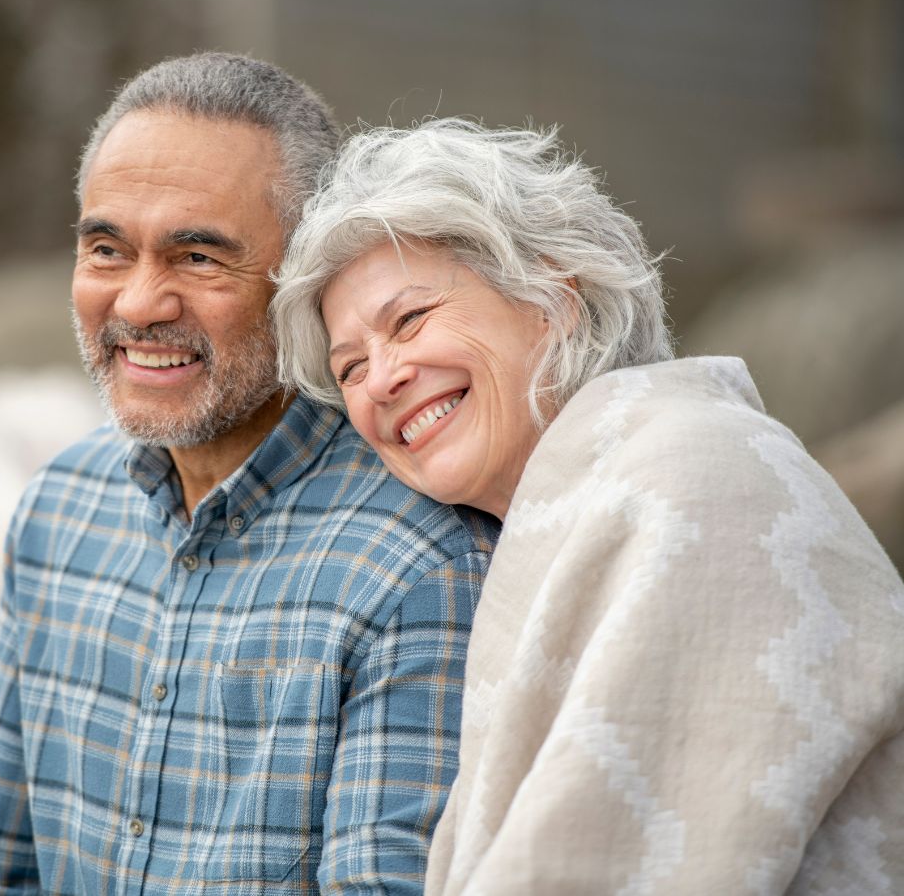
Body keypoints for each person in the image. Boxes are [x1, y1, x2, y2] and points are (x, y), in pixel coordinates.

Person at [0, 55, 499, 894]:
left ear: (307, 279)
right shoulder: (61, 509)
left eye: (198, 258)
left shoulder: (419, 562)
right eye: (107, 248)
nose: (139, 304)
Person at [272, 117, 904, 894]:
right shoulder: (566, 503)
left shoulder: (696, 477)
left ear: (555, 296)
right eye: (350, 367)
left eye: (409, 320)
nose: (381, 379)